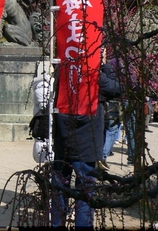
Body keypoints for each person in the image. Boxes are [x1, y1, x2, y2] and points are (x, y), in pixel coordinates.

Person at [51, 66, 104, 228]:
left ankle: (58, 224)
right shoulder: (95, 74)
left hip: (64, 140)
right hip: (87, 142)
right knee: (84, 192)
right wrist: (104, 66)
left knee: (60, 188)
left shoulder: (64, 69)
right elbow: (115, 88)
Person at [98, 54, 123, 170]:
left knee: (109, 128)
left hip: (108, 102)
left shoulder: (108, 65)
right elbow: (115, 87)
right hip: (113, 101)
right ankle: (102, 156)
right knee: (112, 128)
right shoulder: (110, 67)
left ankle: (102, 155)